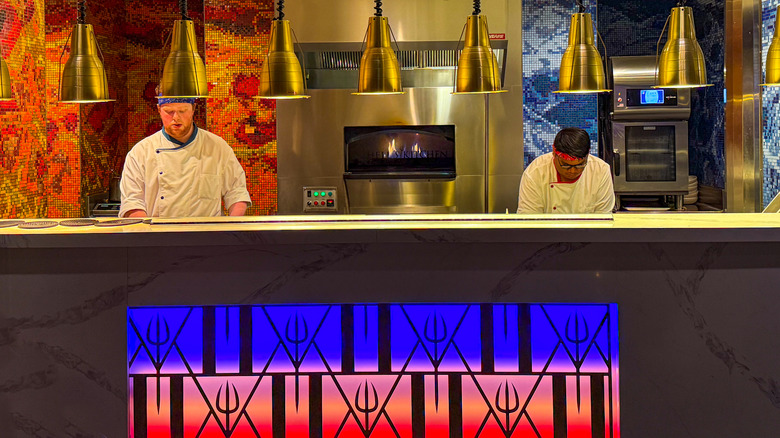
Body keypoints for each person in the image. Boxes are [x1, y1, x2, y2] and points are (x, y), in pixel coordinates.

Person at [119, 96, 251, 218]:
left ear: (193, 109)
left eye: (182, 111)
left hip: (208, 235)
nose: (176, 117)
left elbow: (237, 193)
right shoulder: (141, 152)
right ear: (159, 110)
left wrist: (230, 230)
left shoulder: (217, 147)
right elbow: (132, 202)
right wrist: (150, 236)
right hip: (159, 236)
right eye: (169, 111)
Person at [517, 127, 614, 214]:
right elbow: (529, 221)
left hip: (588, 233)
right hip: (545, 233)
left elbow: (603, 219)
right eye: (566, 165)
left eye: (580, 165)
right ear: (554, 153)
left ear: (588, 155)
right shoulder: (536, 173)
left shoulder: (600, 171)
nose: (572, 171)